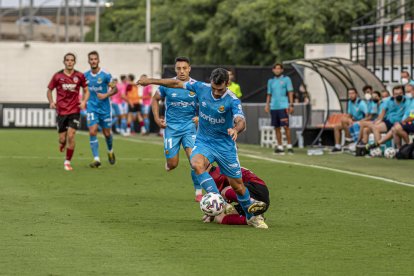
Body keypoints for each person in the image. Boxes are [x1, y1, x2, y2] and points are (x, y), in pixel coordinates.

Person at [138, 68, 268, 229]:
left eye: (219, 89)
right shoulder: (201, 87)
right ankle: (218, 201)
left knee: (238, 186)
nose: (215, 92)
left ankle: (251, 217)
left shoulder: (232, 100)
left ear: (227, 84)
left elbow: (241, 120)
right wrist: (150, 80)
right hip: (204, 141)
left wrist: (236, 129)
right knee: (196, 164)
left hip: (225, 146)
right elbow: (176, 83)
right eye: (213, 88)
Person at [151, 57, 202, 201]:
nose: (182, 71)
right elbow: (155, 99)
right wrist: (156, 118)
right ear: (175, 69)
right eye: (179, 68)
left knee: (195, 161)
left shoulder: (196, 86)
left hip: (189, 128)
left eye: (184, 68)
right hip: (171, 129)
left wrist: (200, 117)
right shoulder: (168, 85)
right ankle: (169, 163)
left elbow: (207, 104)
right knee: (173, 164)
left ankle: (198, 192)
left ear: (189, 69)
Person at [46, 52, 89, 171]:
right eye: (67, 60)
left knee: (71, 135)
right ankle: (62, 143)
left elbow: (86, 90)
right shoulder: (57, 76)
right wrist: (51, 102)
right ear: (64, 62)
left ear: (74, 62)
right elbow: (49, 90)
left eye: (72, 60)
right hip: (61, 111)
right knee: (62, 139)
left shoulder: (79, 76)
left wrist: (84, 101)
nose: (69, 62)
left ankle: (67, 161)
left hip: (74, 110)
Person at [202, 164, 269, 226]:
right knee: (220, 218)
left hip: (256, 188)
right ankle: (254, 218)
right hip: (257, 197)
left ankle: (252, 202)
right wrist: (212, 213)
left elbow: (217, 198)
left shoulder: (215, 174)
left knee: (224, 191)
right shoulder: (211, 175)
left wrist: (211, 213)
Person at [84, 51, 118, 168]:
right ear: (88, 61)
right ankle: (96, 158)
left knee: (107, 133)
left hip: (105, 109)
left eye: (95, 59)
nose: (93, 61)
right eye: (91, 59)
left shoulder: (106, 75)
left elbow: (115, 89)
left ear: (98, 60)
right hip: (92, 108)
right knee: (92, 131)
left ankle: (110, 150)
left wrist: (105, 95)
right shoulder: (85, 76)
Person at [265, 63, 294, 155]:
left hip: (283, 106)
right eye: (275, 69)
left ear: (282, 70)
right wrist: (267, 105)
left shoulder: (286, 79)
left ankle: (289, 146)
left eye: (279, 69)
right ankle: (280, 147)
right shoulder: (270, 81)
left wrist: (291, 104)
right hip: (274, 107)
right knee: (276, 127)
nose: (277, 70)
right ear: (273, 70)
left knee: (286, 126)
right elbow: (269, 94)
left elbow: (290, 92)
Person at [331, 88, 368, 153]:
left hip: (360, 122)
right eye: (349, 94)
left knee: (344, 120)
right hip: (353, 121)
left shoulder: (361, 103)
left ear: (356, 94)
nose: (351, 95)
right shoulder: (350, 102)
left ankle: (349, 139)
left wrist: (358, 121)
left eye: (352, 93)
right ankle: (337, 146)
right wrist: (349, 119)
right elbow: (349, 114)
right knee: (337, 126)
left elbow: (368, 115)